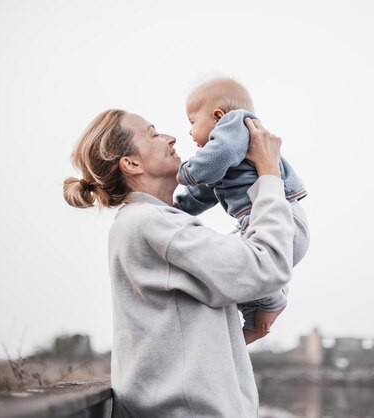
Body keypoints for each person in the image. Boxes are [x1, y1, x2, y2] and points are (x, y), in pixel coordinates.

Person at [63, 109, 295, 417]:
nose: (171, 138)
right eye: (153, 133)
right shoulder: (151, 223)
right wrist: (268, 174)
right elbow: (268, 266)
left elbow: (244, 277)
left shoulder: (147, 223)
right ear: (131, 163)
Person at [175, 78, 310, 343]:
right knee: (225, 267)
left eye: (192, 122)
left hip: (283, 221)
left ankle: (272, 300)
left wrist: (186, 172)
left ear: (217, 116)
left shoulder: (235, 124)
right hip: (269, 223)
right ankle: (254, 318)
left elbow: (217, 157)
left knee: (231, 266)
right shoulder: (230, 156)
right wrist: (179, 209)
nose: (190, 133)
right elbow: (204, 191)